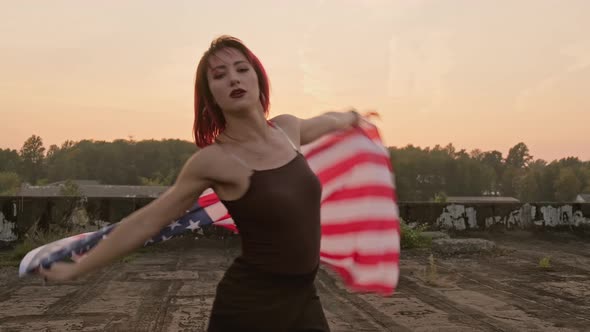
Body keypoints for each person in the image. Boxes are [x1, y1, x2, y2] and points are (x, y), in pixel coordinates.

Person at [39, 35, 363, 331]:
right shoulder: (215, 160)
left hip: (304, 297)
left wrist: (353, 117)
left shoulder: (287, 129)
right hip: (251, 308)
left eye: (241, 69)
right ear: (212, 97)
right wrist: (80, 267)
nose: (233, 78)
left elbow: (328, 121)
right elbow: (149, 220)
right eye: (219, 75)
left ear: (258, 79)